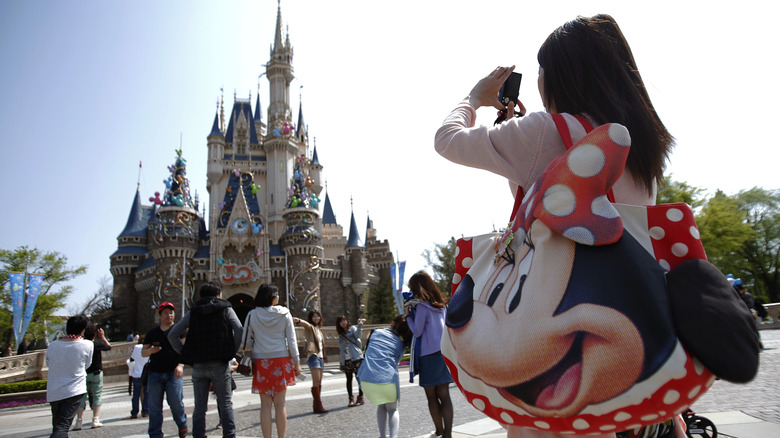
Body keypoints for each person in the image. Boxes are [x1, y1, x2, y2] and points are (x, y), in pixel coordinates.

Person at [434, 13, 683, 438]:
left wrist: (474, 98)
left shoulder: (540, 133)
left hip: (558, 351)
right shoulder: (644, 144)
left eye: (543, 71)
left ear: (563, 77)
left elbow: (447, 139)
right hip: (636, 351)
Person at [169, 281, 244, 438]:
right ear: (218, 294)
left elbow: (172, 334)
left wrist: (185, 353)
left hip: (199, 366)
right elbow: (239, 329)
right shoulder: (225, 309)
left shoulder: (193, 312)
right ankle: (229, 435)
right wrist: (232, 351)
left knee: (199, 407)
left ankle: (198, 435)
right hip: (219, 364)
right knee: (225, 404)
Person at [242, 284, 303, 438]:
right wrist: (296, 362)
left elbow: (245, 341)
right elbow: (292, 340)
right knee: (280, 403)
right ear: (272, 297)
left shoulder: (252, 315)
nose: (278, 297)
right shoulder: (285, 313)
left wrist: (258, 339)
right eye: (277, 295)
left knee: (265, 405)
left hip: (261, 361)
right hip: (281, 360)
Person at [405, 271, 454, 438]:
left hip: (428, 355)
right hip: (443, 353)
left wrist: (408, 317)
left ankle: (439, 431)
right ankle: (448, 434)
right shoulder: (442, 306)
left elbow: (417, 332)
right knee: (445, 395)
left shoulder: (422, 307)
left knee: (432, 397)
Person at [357, 315, 413, 438]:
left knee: (381, 406)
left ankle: (382, 436)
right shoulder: (401, 345)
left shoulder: (376, 333)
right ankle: (393, 436)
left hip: (366, 381)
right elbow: (396, 361)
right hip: (387, 381)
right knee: (392, 410)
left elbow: (368, 349)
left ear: (392, 323)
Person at [143, 302, 188, 438]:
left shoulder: (180, 331)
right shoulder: (152, 333)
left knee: (175, 403)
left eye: (171, 312)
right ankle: (155, 434)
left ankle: (182, 424)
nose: (169, 315)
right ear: (160, 315)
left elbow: (185, 351)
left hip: (173, 373)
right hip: (155, 372)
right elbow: (143, 352)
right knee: (155, 407)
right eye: (166, 313)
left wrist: (180, 365)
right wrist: (151, 350)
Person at [46, 314, 93, 438]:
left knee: (58, 425)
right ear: (83, 330)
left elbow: (48, 363)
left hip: (54, 390)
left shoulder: (53, 345)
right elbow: (87, 365)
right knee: (62, 428)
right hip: (74, 389)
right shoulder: (87, 345)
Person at [73, 324, 112, 430]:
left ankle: (79, 421)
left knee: (81, 398)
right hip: (96, 373)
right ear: (95, 334)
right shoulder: (97, 344)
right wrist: (102, 337)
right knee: (97, 396)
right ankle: (95, 420)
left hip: (83, 374)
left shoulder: (81, 345)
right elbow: (109, 347)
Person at [293, 310, 329, 413]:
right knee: (316, 381)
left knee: (319, 382)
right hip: (313, 356)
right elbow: (305, 324)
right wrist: (298, 320)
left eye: (318, 316)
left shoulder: (319, 330)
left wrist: (325, 357)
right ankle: (319, 404)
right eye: (314, 316)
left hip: (321, 357)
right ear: (311, 318)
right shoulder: (310, 328)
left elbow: (322, 346)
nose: (316, 318)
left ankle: (316, 405)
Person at [336, 315, 365, 407]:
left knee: (359, 378)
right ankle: (350, 398)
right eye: (341, 322)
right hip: (347, 359)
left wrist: (360, 326)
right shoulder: (340, 335)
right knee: (349, 379)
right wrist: (341, 362)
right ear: (339, 324)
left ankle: (360, 397)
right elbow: (341, 350)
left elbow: (358, 336)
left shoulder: (352, 329)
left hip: (356, 357)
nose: (343, 322)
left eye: (344, 320)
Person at [129, 335, 149, 419]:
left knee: (136, 394)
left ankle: (134, 412)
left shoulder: (136, 347)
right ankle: (145, 411)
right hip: (146, 373)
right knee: (146, 393)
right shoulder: (148, 349)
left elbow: (132, 358)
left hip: (136, 374)